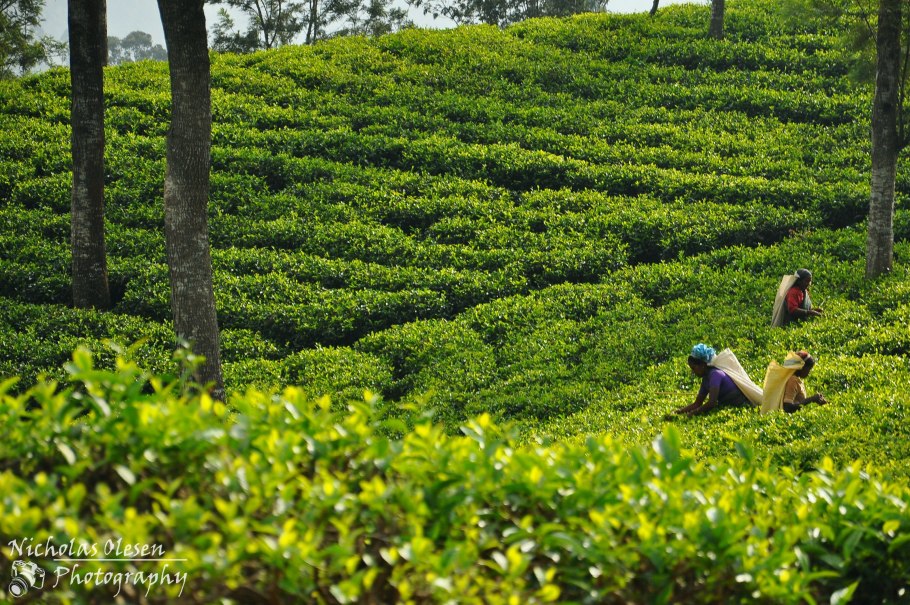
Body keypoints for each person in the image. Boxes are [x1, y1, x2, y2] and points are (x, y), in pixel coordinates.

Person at [674, 344, 751, 416]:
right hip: (729, 407)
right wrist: (677, 412)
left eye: (694, 368)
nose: (693, 372)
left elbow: (712, 403)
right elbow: (697, 404)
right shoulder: (705, 380)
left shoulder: (715, 374)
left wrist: (692, 414)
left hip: (742, 406)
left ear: (703, 365)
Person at [760, 350, 828, 414]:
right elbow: (788, 408)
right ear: (801, 367)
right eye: (809, 369)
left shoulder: (797, 380)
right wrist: (811, 399)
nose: (809, 372)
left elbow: (798, 401)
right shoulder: (793, 380)